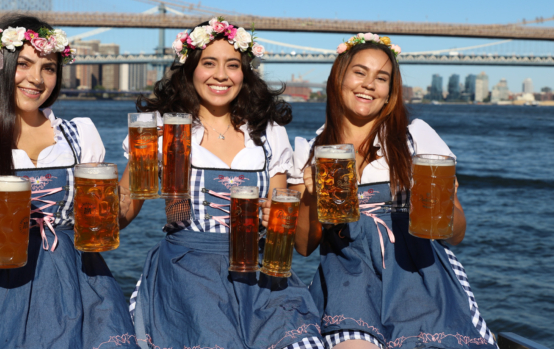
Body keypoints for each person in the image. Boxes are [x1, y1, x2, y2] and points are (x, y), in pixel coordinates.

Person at [0, 15, 137, 349]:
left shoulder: (79, 135)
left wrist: (141, 165)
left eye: (48, 67)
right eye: (24, 64)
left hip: (77, 287)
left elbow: (108, 225)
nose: (37, 78)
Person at [120, 18, 325, 349]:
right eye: (209, 63)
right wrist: (91, 206)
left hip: (258, 272)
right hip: (187, 272)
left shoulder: (268, 133)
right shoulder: (164, 129)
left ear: (244, 73)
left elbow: (283, 236)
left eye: (232, 65)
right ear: (190, 70)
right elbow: (122, 213)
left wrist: (280, 216)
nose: (221, 74)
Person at [288, 33, 498, 349]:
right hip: (349, 280)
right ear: (338, 79)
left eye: (381, 78)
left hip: (419, 277)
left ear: (390, 93)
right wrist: (310, 195)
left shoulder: (415, 138)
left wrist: (435, 203)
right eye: (360, 72)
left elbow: (455, 234)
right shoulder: (310, 150)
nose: (369, 84)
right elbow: (304, 246)